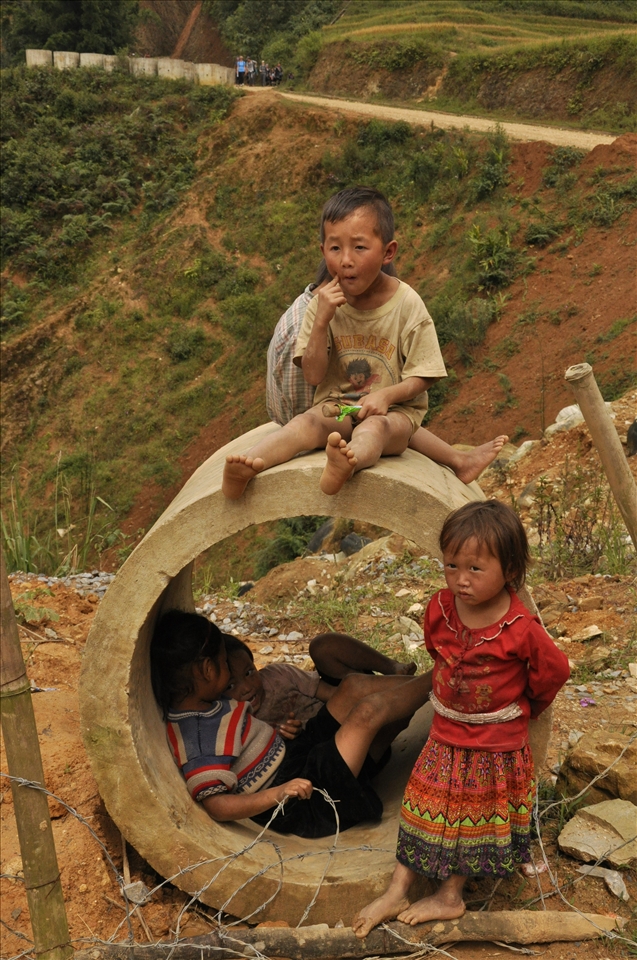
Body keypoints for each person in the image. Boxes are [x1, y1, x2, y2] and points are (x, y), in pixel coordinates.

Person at [352, 500, 570, 938]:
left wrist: (526, 710)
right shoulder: (440, 608)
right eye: (452, 565)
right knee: (420, 810)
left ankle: (450, 896)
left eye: (475, 568)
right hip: (444, 735)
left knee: (472, 821)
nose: (461, 579)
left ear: (509, 569)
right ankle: (398, 889)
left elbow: (555, 671)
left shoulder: (520, 628)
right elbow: (436, 652)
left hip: (493, 748)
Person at [224, 186, 505, 500]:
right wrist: (320, 322)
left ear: (388, 252)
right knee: (307, 422)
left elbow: (426, 374)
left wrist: (386, 395)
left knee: (373, 430)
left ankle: (347, 463)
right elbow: (314, 376)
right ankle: (251, 463)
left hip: (392, 417)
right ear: (322, 251)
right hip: (341, 410)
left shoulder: (407, 304)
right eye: (334, 249)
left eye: (359, 248)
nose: (345, 261)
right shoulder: (321, 306)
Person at [150, 610, 433, 839]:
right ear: (208, 670)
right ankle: (445, 679)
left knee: (354, 687)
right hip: (304, 802)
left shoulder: (205, 704)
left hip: (297, 756)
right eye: (225, 663)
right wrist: (278, 794)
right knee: (369, 712)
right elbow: (216, 805)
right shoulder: (198, 736)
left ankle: (429, 688)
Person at [266, 262, 507, 481]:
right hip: (320, 412)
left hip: (358, 411)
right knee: (368, 425)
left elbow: (414, 383)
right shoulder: (309, 319)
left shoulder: (401, 304)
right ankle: (253, 462)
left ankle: (458, 460)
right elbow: (304, 394)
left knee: (380, 424)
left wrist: (384, 397)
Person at [222, 632, 418, 739]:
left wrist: (360, 700)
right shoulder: (233, 722)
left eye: (249, 673)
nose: (246, 687)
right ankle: (422, 687)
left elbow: (331, 694)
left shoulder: (276, 676)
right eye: (231, 686)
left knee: (322, 646)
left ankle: (393, 669)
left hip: (340, 711)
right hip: (332, 747)